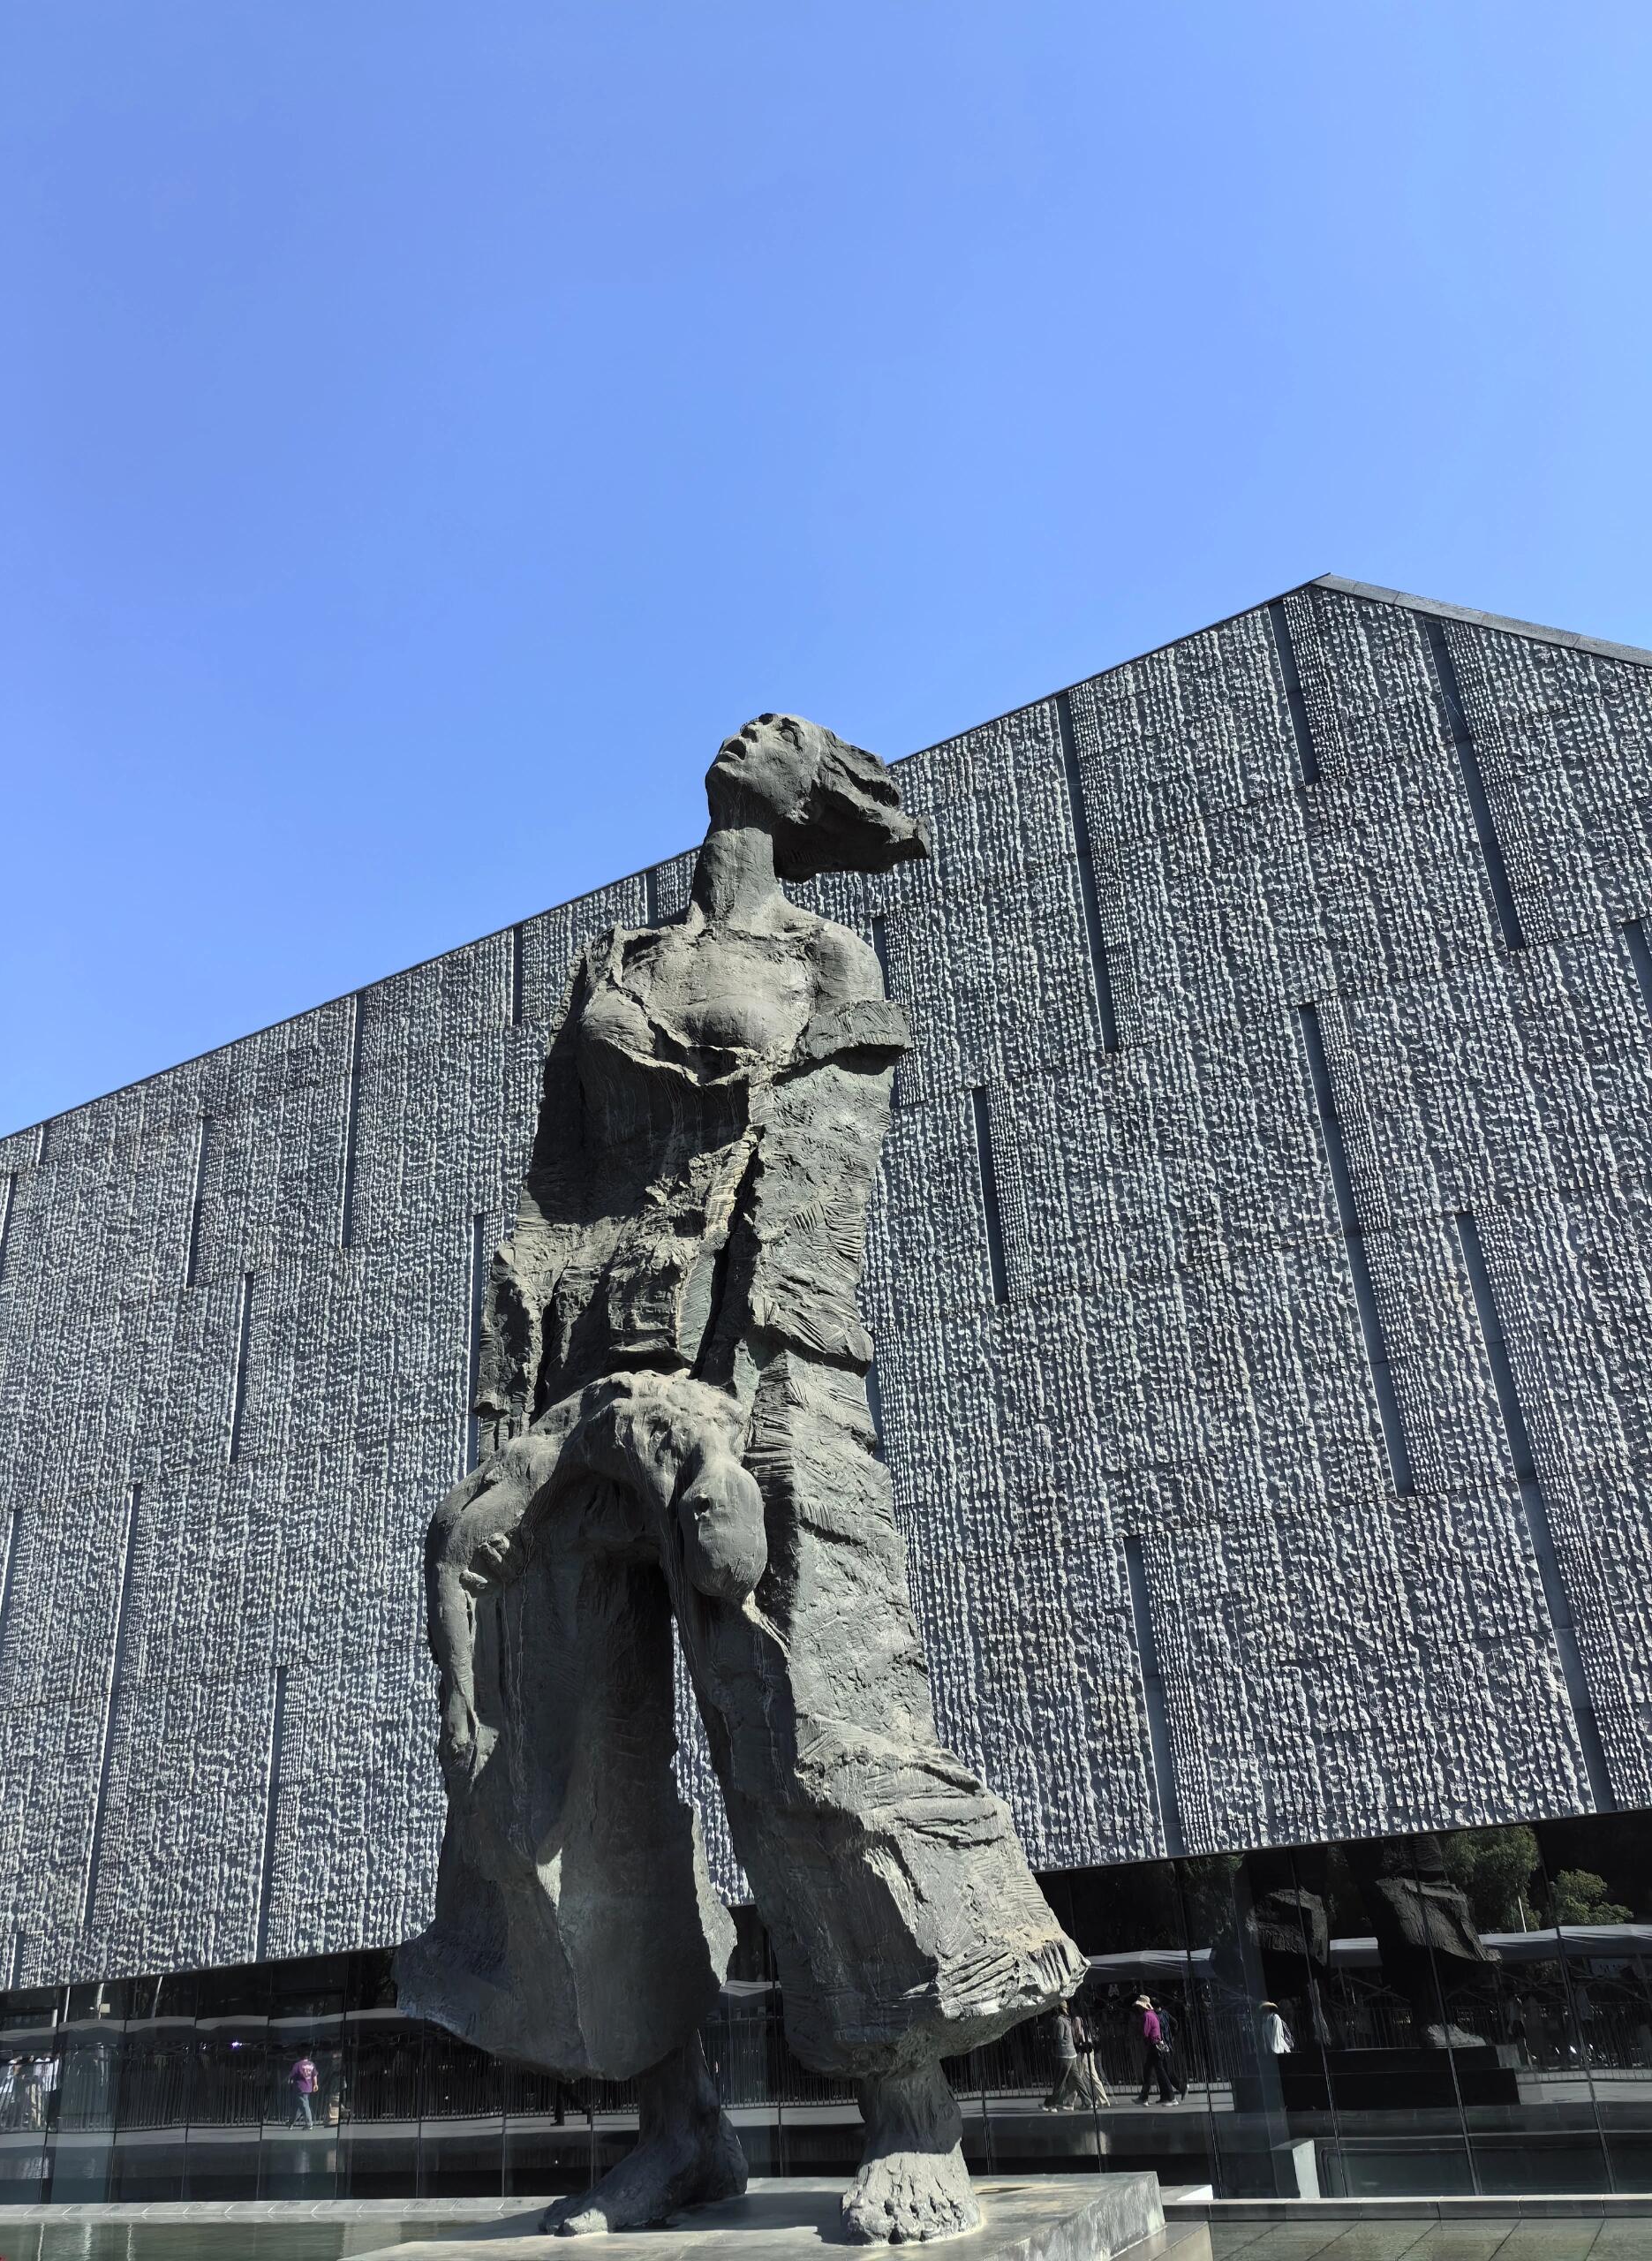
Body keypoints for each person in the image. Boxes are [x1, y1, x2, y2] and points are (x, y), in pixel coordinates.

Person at [396, 715, 1083, 2243]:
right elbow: (547, 1198)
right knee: (562, 1751)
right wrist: (519, 1407)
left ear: (814, 795)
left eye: (798, 733)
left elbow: (823, 1176)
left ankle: (912, 2114)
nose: (762, 731)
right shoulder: (613, 966)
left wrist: (751, 1379)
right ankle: (679, 2130)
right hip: (586, 1379)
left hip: (760, 1362)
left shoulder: (830, 963)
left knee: (817, 1715)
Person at [1041, 2004, 1105, 2112]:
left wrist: (1052, 2039)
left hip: (1063, 2054)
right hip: (1072, 2053)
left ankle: (1051, 2104)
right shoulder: (1067, 2020)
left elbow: (1060, 2038)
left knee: (1059, 2081)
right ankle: (1088, 2102)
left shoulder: (1059, 2021)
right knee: (1077, 2079)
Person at [1134, 1994, 1177, 2106]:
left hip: (1154, 2046)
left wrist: (1138, 2032)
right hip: (1158, 2044)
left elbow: (1145, 2032)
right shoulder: (1153, 2014)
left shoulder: (1146, 2016)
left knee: (1160, 2072)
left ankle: (1171, 2097)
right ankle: (1143, 2097)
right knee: (1149, 2071)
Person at [289, 2053, 318, 2129]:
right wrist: (315, 2084)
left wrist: (289, 2081)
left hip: (300, 2087)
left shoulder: (297, 2064)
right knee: (299, 2106)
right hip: (308, 2087)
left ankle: (309, 2124)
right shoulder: (311, 2064)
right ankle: (291, 2122)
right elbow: (314, 2075)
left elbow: (292, 2075)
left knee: (305, 2106)